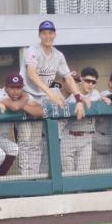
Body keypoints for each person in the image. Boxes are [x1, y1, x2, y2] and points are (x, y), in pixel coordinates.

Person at [20, 20, 83, 175]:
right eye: (44, 33)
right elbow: (32, 74)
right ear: (39, 35)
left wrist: (79, 99)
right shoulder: (32, 50)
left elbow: (68, 78)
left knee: (35, 143)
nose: (47, 36)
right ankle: (24, 179)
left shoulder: (58, 55)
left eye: (50, 33)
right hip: (25, 96)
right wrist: (50, 94)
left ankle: (33, 177)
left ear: (55, 34)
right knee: (25, 142)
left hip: (41, 99)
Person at [0, 74, 43, 176]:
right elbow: (15, 107)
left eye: (18, 88)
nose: (15, 91)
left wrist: (23, 105)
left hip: (0, 138)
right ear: (6, 87)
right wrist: (24, 100)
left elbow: (40, 111)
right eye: (12, 87)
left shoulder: (21, 97)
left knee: (13, 149)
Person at [61, 68, 102, 173]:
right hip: (69, 136)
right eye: (87, 81)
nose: (90, 84)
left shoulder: (95, 93)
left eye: (93, 82)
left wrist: (84, 99)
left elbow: (92, 100)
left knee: (83, 173)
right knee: (68, 173)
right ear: (81, 80)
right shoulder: (72, 95)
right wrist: (82, 98)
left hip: (86, 137)